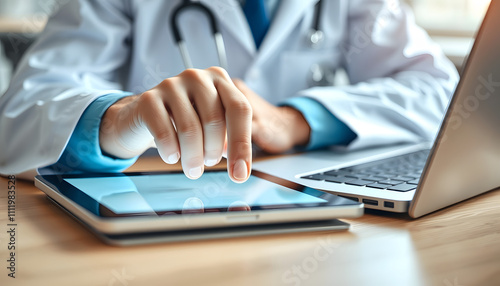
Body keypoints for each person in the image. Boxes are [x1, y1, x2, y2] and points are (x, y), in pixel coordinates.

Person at [0, 0, 459, 183]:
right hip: (162, 220)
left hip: (300, 208)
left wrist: (295, 121)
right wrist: (121, 118)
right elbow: (16, 117)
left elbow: (441, 92)